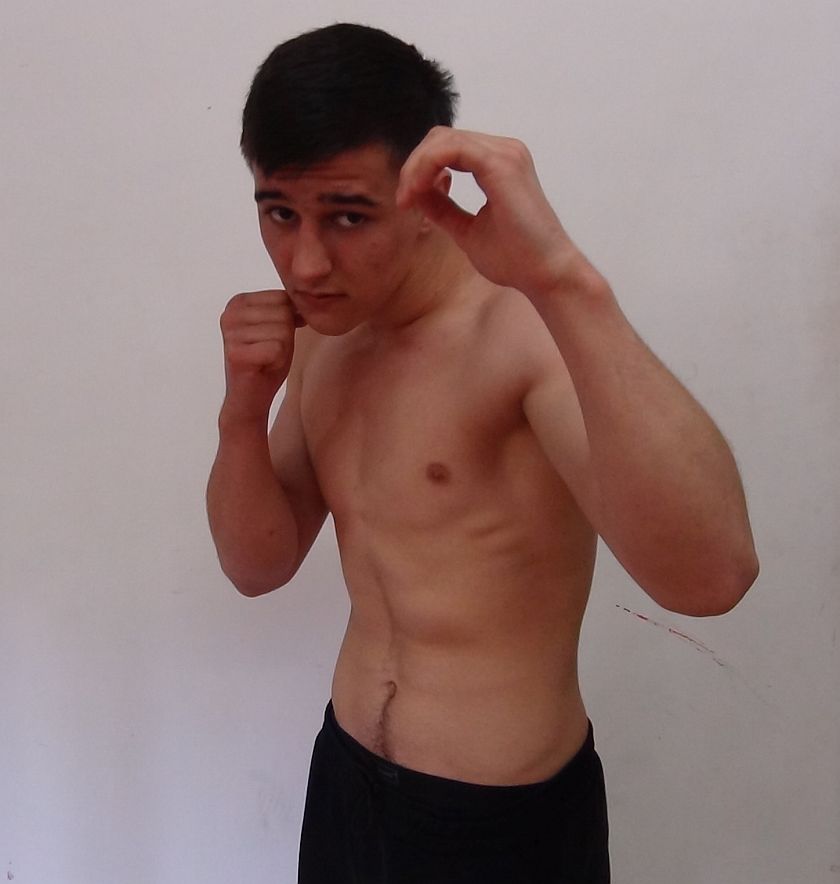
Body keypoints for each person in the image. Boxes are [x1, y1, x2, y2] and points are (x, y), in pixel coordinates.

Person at [206, 22, 759, 884]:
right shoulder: (323, 338)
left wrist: (564, 279)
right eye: (280, 213)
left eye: (348, 216)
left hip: (498, 822)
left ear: (425, 191)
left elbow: (712, 579)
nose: (305, 263)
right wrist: (243, 411)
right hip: (345, 776)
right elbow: (257, 566)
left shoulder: (522, 333)